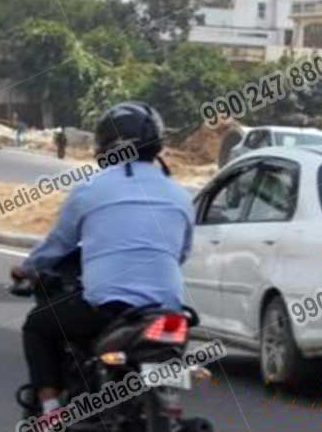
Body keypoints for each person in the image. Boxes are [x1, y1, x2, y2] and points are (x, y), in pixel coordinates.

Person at [11, 102, 194, 422]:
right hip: (169, 311)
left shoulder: (91, 190)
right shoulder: (180, 195)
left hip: (107, 308)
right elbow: (181, 253)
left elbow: (59, 244)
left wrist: (28, 269)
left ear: (105, 143)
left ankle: (50, 414)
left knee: (38, 325)